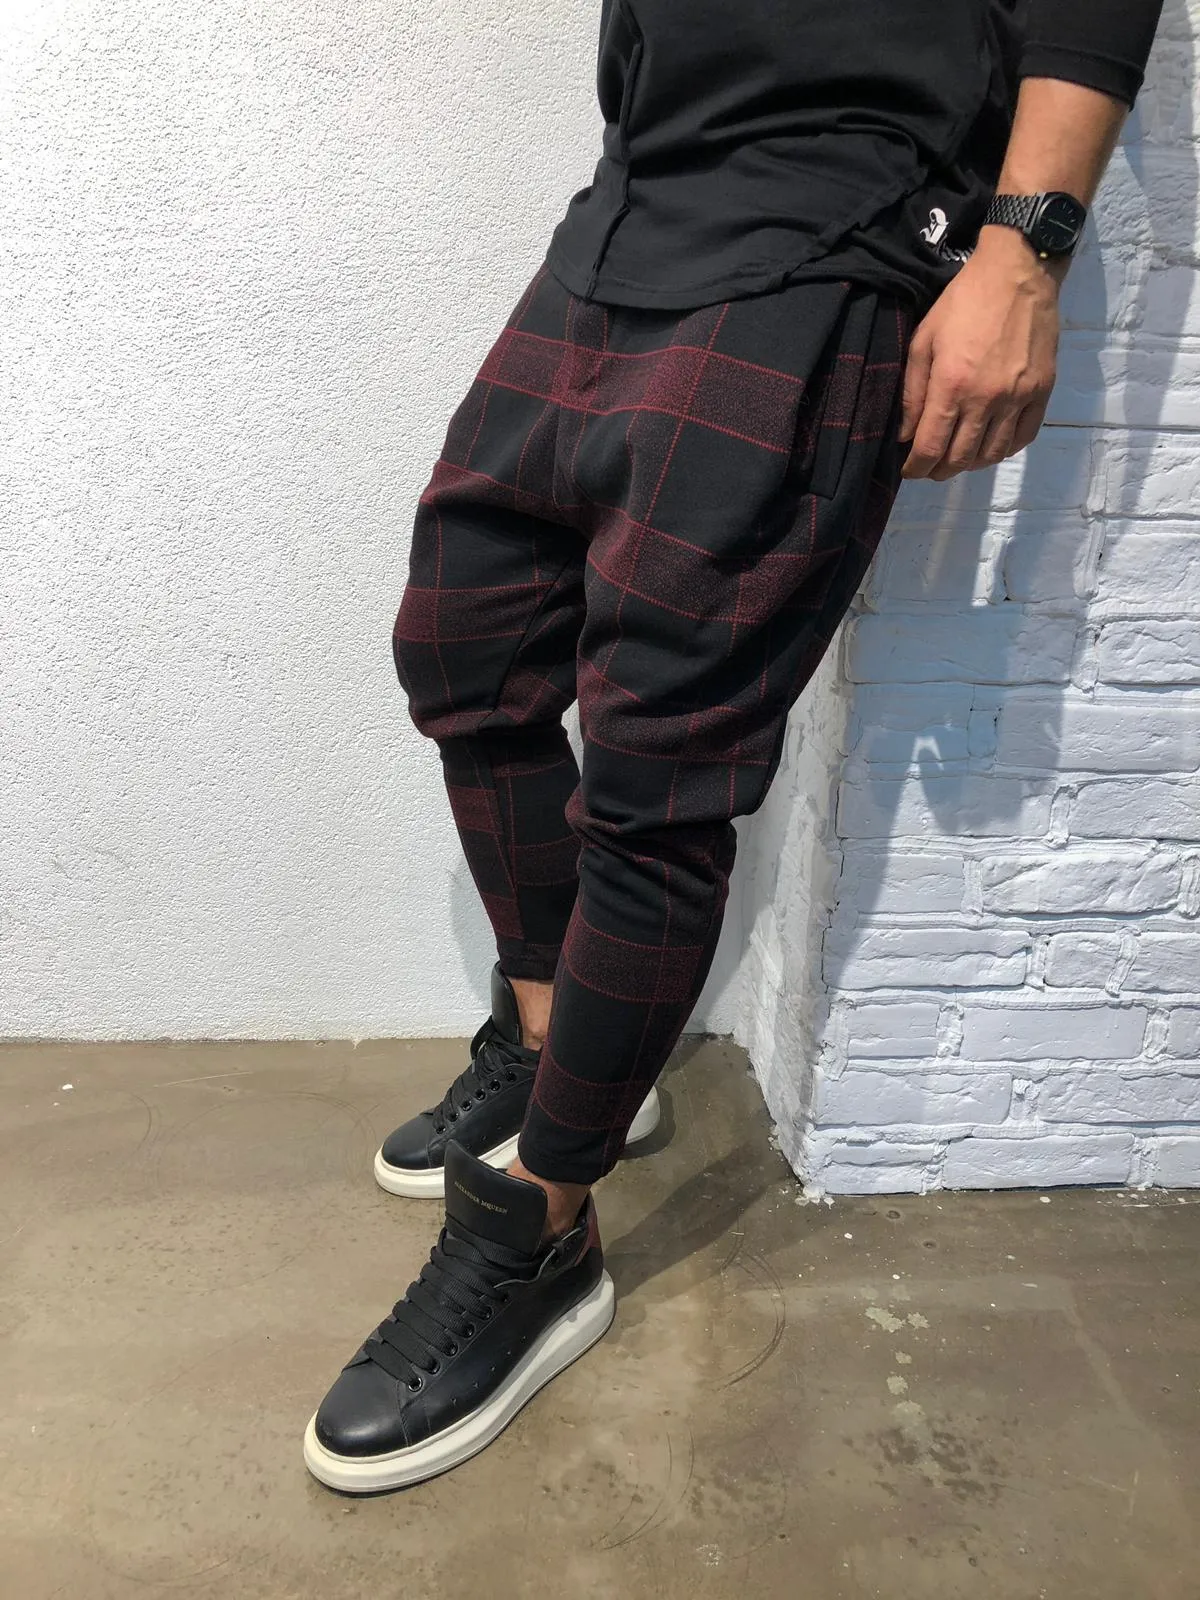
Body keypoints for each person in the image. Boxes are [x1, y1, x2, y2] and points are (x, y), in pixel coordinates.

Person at [303, 0, 1164, 1492]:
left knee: (662, 767)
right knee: (462, 641)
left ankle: (543, 1225)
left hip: (832, 231)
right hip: (634, 207)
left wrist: (1020, 253)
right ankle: (560, 1047)